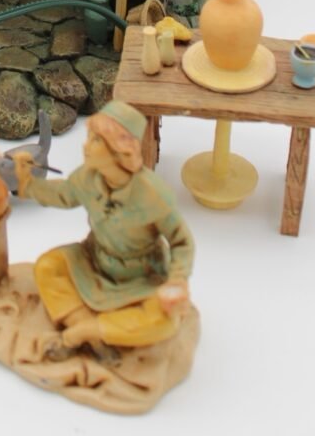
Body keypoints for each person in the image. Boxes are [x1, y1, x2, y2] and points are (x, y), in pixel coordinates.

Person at [14, 101, 194, 353]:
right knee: (47, 266)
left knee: (165, 321)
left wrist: (176, 281)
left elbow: (181, 242)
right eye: (88, 137)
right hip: (94, 261)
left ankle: (86, 332)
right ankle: (86, 326)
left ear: (119, 149)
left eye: (95, 140)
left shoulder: (153, 194)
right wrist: (28, 183)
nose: (85, 145)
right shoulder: (87, 178)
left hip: (142, 277)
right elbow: (63, 194)